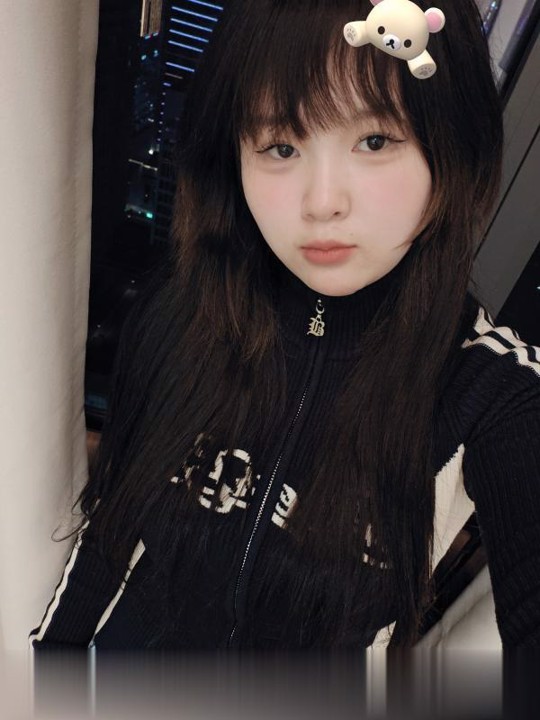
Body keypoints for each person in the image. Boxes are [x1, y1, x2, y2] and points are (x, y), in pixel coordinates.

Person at [30, 0, 540, 650]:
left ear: (453, 149)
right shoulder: (178, 315)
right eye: (280, 145)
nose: (322, 203)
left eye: (375, 140)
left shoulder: (489, 389)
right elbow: (108, 534)